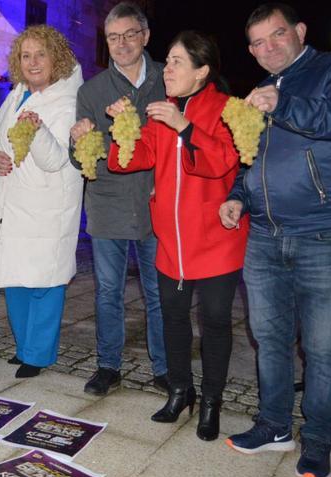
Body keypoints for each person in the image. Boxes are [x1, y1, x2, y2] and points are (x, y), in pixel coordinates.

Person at [220, 3, 331, 477]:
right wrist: (237, 197)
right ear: (250, 49)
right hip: (266, 235)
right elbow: (256, 160)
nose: (269, 48)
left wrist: (282, 104)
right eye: (258, 42)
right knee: (269, 338)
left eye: (278, 34)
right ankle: (273, 426)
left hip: (325, 234)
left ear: (300, 31)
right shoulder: (262, 91)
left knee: (323, 346)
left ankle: (319, 442)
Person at [107, 31, 248, 441]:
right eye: (166, 61)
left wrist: (185, 126)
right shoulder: (160, 111)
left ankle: (211, 402)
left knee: (217, 322)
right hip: (171, 241)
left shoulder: (227, 109)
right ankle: (180, 391)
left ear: (202, 71)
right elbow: (127, 162)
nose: (166, 69)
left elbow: (223, 161)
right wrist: (126, 125)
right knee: (172, 318)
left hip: (217, 239)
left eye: (176, 62)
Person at [69, 1, 167, 397]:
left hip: (156, 201)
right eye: (113, 37)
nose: (122, 43)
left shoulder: (168, 78)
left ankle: (164, 366)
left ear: (144, 36)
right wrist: (78, 140)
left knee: (158, 290)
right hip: (108, 202)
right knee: (108, 291)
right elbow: (81, 161)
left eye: (130, 34)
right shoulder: (92, 90)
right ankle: (108, 365)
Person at [0, 25, 84, 378]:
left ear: (55, 57)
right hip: (14, 201)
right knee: (15, 278)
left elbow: (56, 159)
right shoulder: (16, 94)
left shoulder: (68, 101)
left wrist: (37, 130)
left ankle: (37, 355)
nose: (33, 62)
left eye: (40, 54)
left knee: (44, 281)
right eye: (26, 56)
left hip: (46, 207)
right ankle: (24, 347)